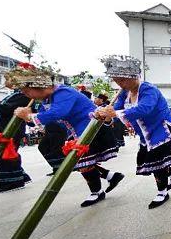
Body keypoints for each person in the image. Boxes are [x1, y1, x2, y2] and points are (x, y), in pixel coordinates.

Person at [11, 64, 124, 207]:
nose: (26, 95)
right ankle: (111, 177)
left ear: (39, 87)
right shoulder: (49, 98)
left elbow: (58, 113)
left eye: (27, 91)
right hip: (77, 131)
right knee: (82, 163)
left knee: (83, 163)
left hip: (90, 128)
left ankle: (97, 191)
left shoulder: (63, 92)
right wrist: (30, 117)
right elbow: (50, 116)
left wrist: (29, 116)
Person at [96, 55, 171, 209]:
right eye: (117, 81)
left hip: (162, 130)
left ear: (134, 76)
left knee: (157, 163)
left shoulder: (148, 89)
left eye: (122, 80)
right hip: (146, 134)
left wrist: (115, 113)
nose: (120, 84)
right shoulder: (125, 92)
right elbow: (116, 109)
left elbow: (144, 109)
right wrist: (105, 114)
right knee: (150, 161)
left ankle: (162, 192)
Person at [0, 77, 32, 193]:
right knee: (6, 154)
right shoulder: (17, 94)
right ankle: (19, 178)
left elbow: (4, 108)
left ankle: (13, 183)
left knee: (4, 155)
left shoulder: (23, 96)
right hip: (4, 128)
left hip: (11, 130)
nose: (7, 81)